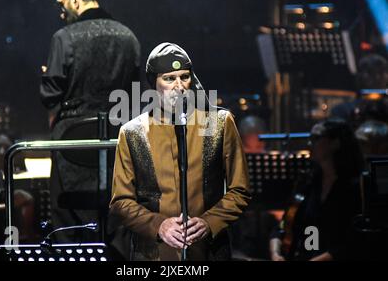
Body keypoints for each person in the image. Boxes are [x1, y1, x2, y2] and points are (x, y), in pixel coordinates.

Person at [109, 43, 251, 261]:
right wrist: (159, 225)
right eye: (169, 78)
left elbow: (239, 190)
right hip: (154, 254)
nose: (179, 86)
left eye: (184, 77)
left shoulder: (219, 123)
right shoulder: (132, 133)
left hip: (208, 252)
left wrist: (209, 222)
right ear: (154, 83)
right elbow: (121, 201)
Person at [40, 0, 140, 242]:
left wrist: (47, 73)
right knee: (118, 221)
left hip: (72, 146)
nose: (61, 12)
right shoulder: (129, 37)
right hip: (117, 144)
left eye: (61, 4)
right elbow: (137, 95)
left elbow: (49, 95)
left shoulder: (64, 37)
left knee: (70, 225)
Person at [269, 119, 364, 261]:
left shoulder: (355, 187)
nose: (309, 144)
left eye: (316, 138)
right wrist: (275, 254)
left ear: (335, 143)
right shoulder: (307, 182)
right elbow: (284, 225)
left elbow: (353, 242)